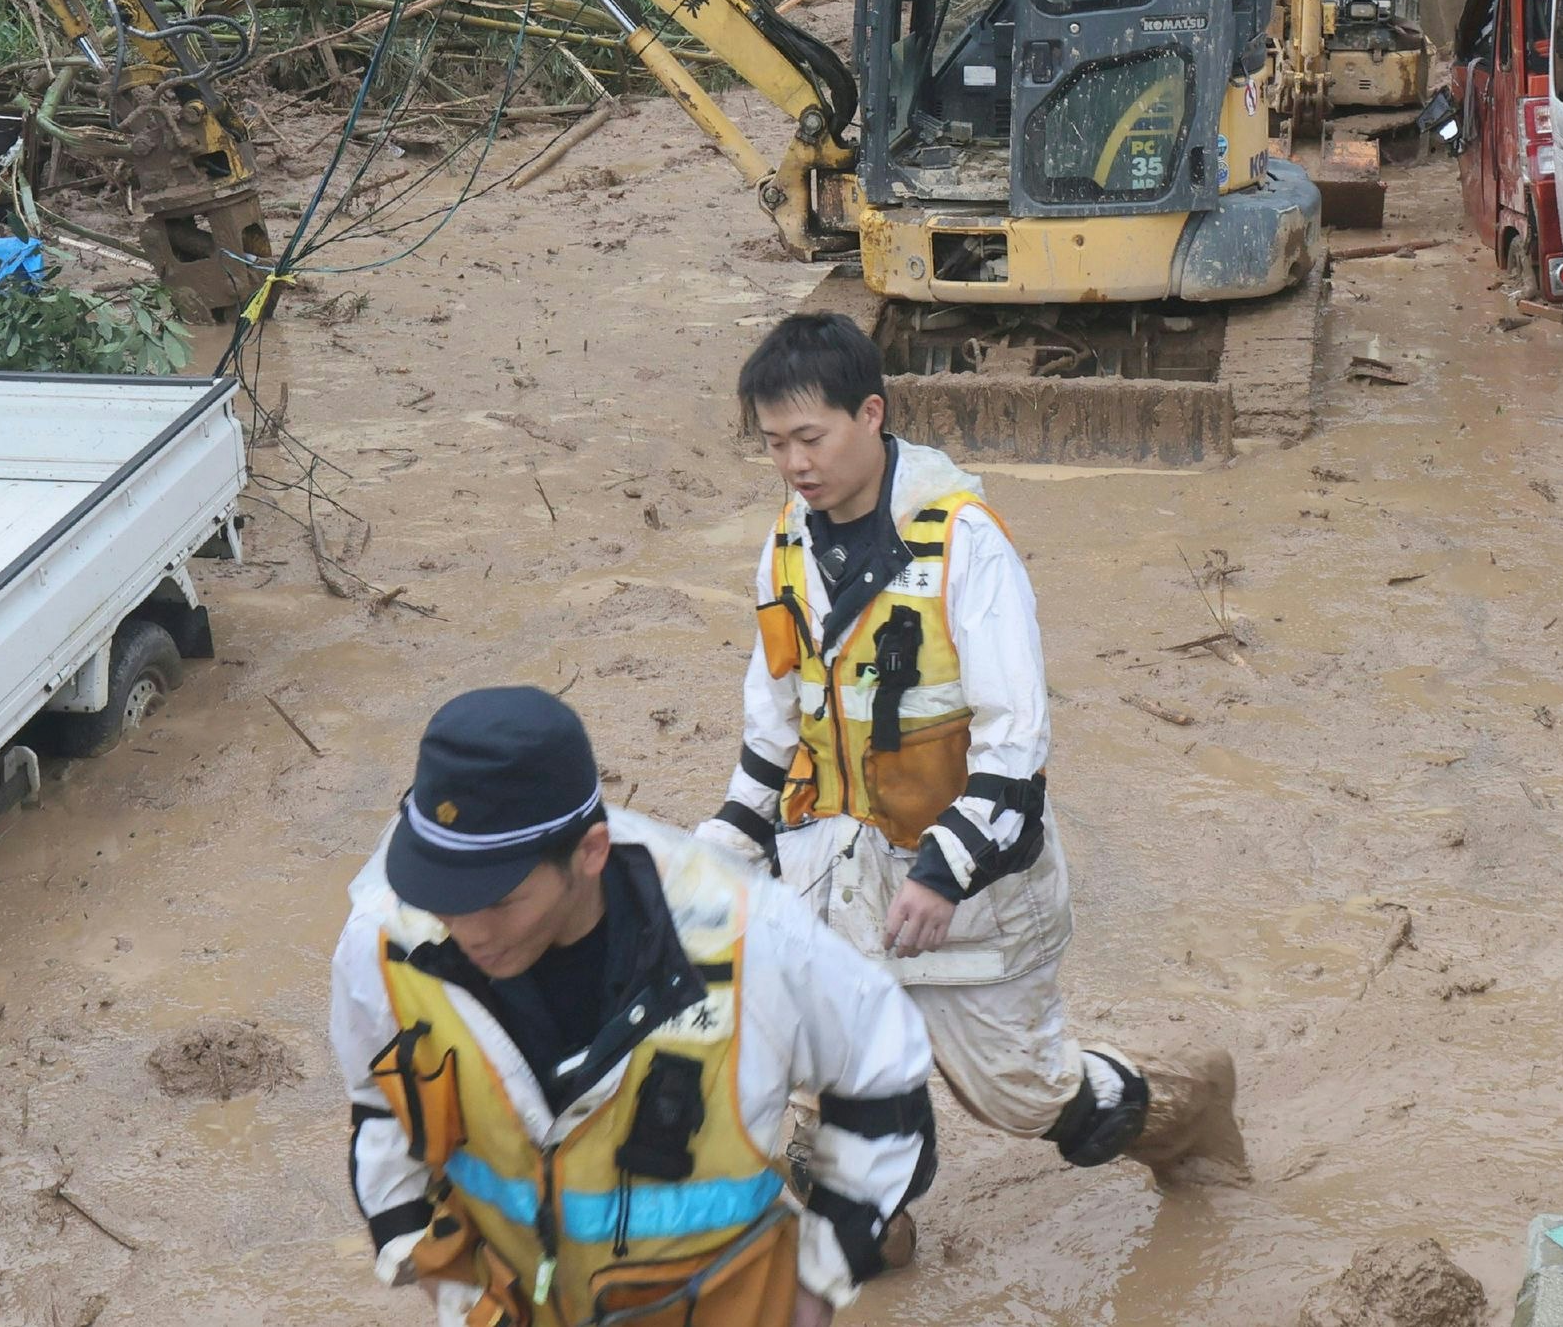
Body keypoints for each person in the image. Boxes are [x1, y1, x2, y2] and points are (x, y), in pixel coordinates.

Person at [697, 315, 1240, 1230]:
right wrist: (719, 852)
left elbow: (1014, 741)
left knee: (1025, 1097)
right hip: (839, 870)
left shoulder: (965, 545)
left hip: (971, 877)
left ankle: (1185, 1108)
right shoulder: (788, 540)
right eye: (775, 444)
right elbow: (776, 721)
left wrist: (943, 874)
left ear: (871, 415)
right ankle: (875, 1216)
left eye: (810, 438)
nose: (793, 464)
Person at [332, 686, 934, 1326]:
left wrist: (821, 1275)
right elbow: (382, 1101)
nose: (467, 929)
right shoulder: (386, 940)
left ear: (589, 852)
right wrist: (428, 1268)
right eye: (442, 893)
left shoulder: (751, 937)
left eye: (499, 900)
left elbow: (885, 1069)